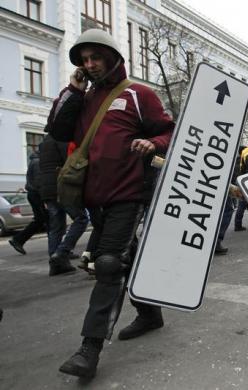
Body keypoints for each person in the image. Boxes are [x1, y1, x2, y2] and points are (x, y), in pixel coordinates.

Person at [46, 29, 174, 378]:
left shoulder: (138, 94)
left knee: (106, 263)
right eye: (84, 60)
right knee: (123, 259)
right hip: (95, 199)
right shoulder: (83, 98)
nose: (90, 64)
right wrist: (73, 89)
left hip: (128, 193)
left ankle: (89, 349)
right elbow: (57, 130)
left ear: (112, 56)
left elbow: (167, 131)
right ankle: (150, 314)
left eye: (95, 57)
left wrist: (152, 143)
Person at [39, 134, 89, 276]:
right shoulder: (63, 139)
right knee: (81, 219)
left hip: (47, 188)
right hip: (61, 185)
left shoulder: (44, 142)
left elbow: (43, 168)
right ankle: (61, 253)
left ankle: (55, 262)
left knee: (56, 225)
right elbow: (71, 162)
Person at [8, 151, 49, 255]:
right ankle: (18, 240)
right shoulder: (38, 162)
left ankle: (18, 240)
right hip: (36, 194)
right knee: (43, 219)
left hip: (33, 194)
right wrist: (45, 199)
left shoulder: (34, 161)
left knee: (43, 219)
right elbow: (39, 182)